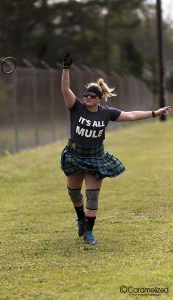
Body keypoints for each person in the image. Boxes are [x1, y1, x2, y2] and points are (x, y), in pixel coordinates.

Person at [60, 52, 171, 245]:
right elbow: (65, 89)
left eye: (92, 96)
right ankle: (80, 218)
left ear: (99, 99)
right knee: (74, 193)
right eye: (86, 94)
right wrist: (66, 69)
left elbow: (131, 115)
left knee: (92, 196)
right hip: (75, 154)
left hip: (95, 157)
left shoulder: (106, 113)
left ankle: (89, 232)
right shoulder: (76, 107)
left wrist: (154, 112)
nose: (87, 97)